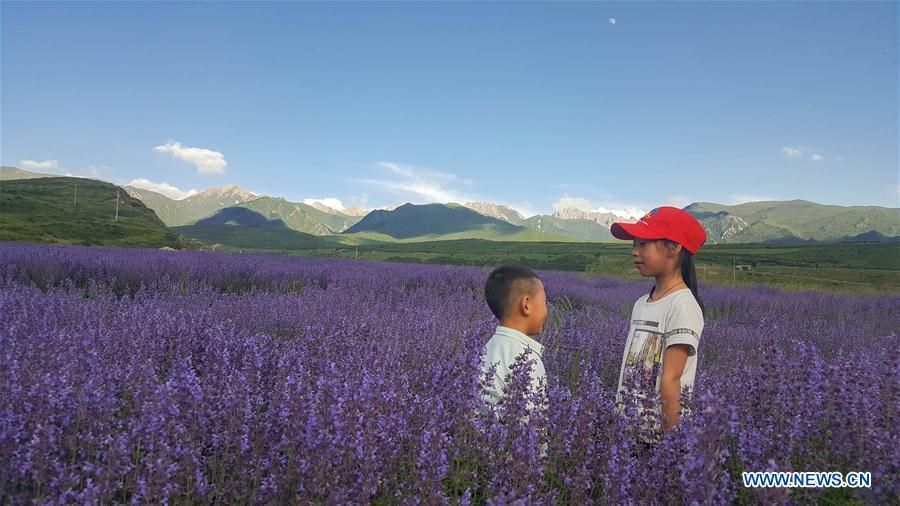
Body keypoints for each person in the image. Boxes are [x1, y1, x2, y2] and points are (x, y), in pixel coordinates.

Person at [609, 206, 707, 445]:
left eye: (643, 244)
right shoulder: (642, 303)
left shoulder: (683, 306)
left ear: (674, 248)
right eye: (634, 244)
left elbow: (671, 381)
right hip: (628, 431)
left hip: (658, 440)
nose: (634, 252)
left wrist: (671, 448)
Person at [480, 264, 549, 412]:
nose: (546, 311)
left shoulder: (485, 350)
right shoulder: (529, 362)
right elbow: (532, 422)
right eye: (544, 302)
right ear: (527, 305)